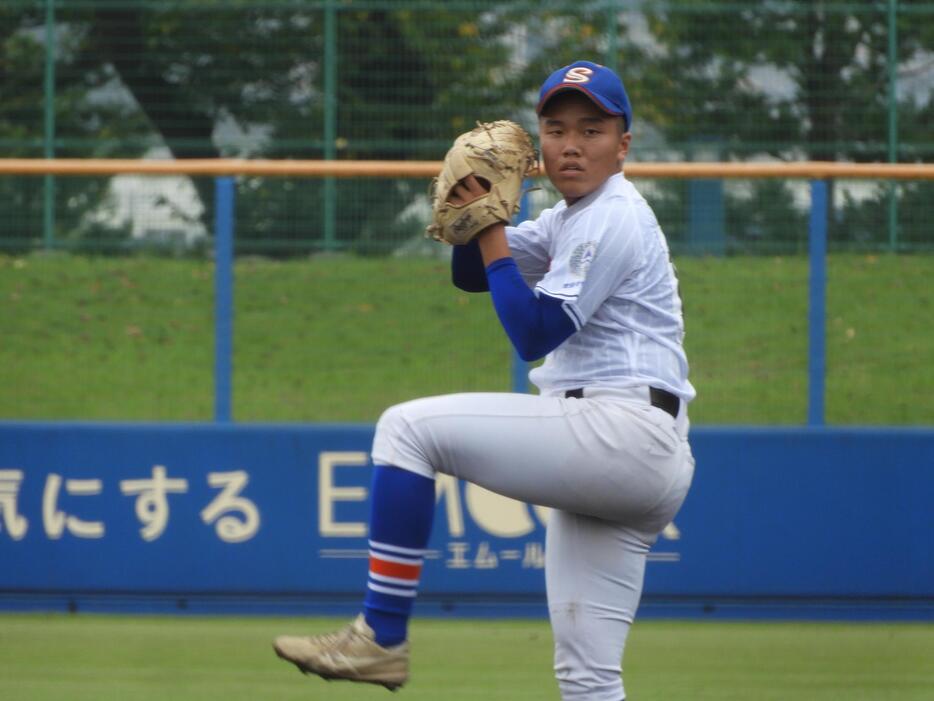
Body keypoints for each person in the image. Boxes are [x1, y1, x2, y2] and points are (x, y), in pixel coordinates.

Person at [273, 59, 696, 701]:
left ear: (623, 145)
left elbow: (533, 330)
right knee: (588, 679)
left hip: (621, 432)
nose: (572, 145)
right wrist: (479, 208)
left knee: (407, 430)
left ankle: (380, 637)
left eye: (592, 129)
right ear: (538, 143)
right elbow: (473, 275)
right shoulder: (567, 220)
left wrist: (492, 227)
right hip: (630, 456)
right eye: (555, 130)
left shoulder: (613, 215)